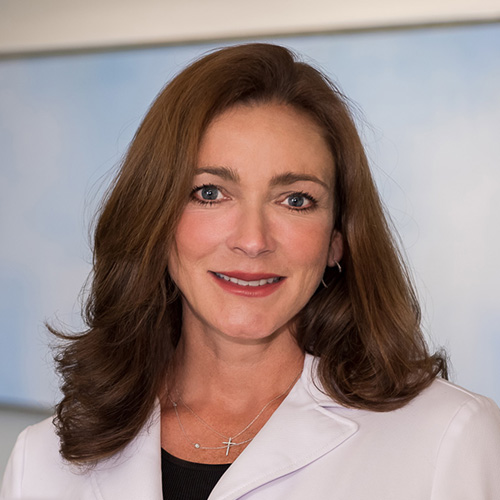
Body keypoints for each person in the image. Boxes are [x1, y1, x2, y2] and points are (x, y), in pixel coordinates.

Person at [1, 43, 500, 500]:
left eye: (296, 200)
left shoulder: (449, 438)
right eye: (210, 193)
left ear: (337, 240)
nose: (253, 240)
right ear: (155, 218)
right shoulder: (42, 462)